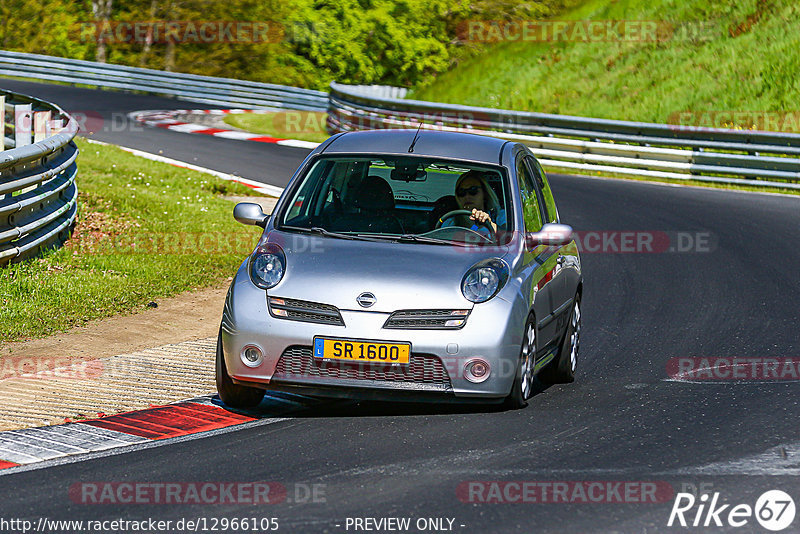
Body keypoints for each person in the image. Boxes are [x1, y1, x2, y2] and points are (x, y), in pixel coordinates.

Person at [441, 170, 506, 236]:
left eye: (473, 190)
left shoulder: (500, 215)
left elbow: (510, 237)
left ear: (485, 193)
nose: (467, 196)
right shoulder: (450, 222)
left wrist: (489, 224)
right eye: (462, 192)